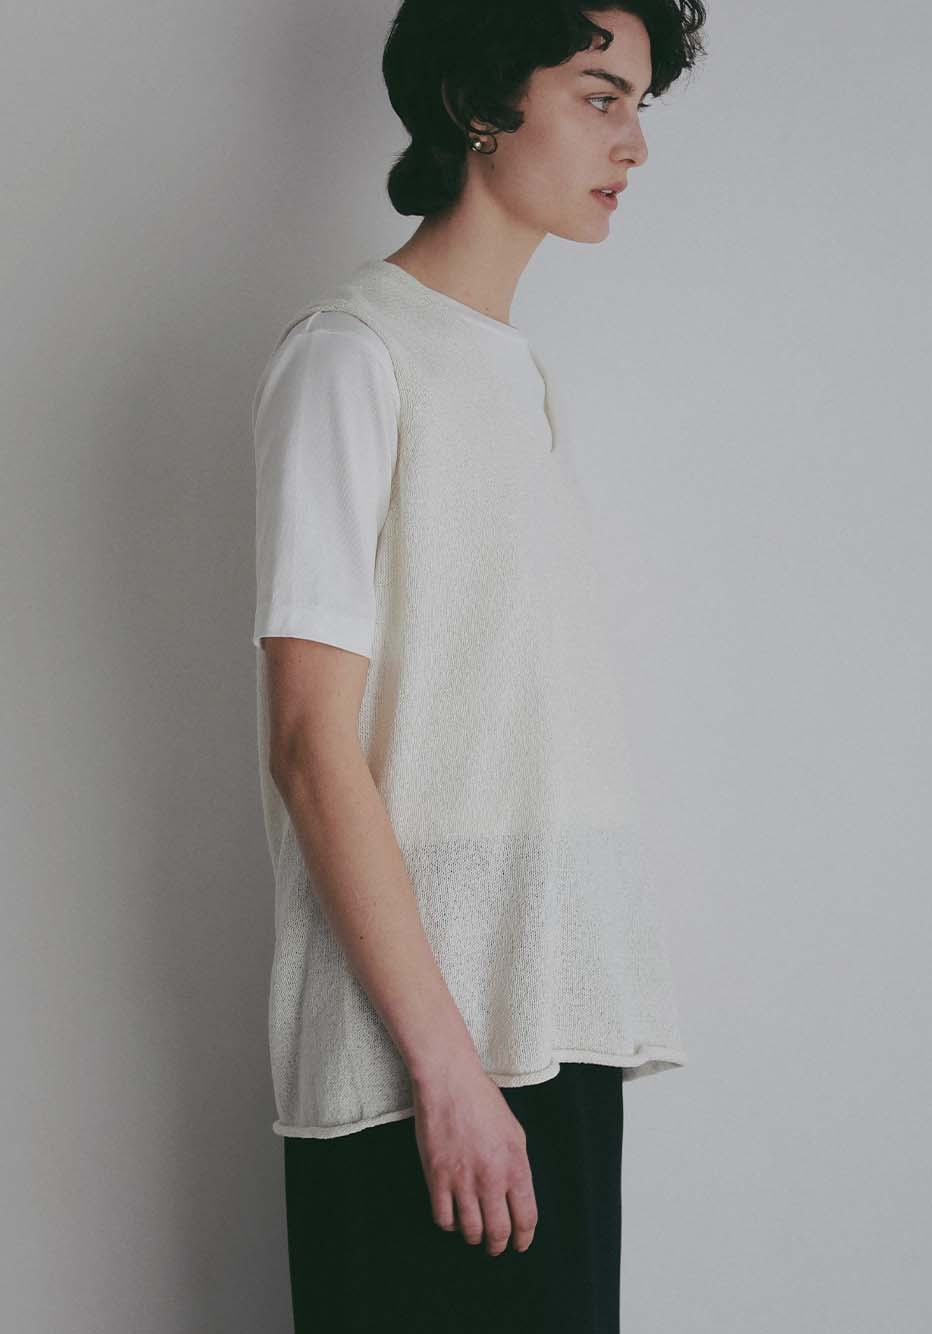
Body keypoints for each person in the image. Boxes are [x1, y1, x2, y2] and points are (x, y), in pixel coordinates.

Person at [250, 3, 707, 1330]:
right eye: (600, 96)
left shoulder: (516, 375)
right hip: (427, 1060)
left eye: (639, 106)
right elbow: (311, 744)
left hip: (547, 1022)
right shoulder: (352, 356)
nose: (634, 144)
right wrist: (448, 1072)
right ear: (477, 106)